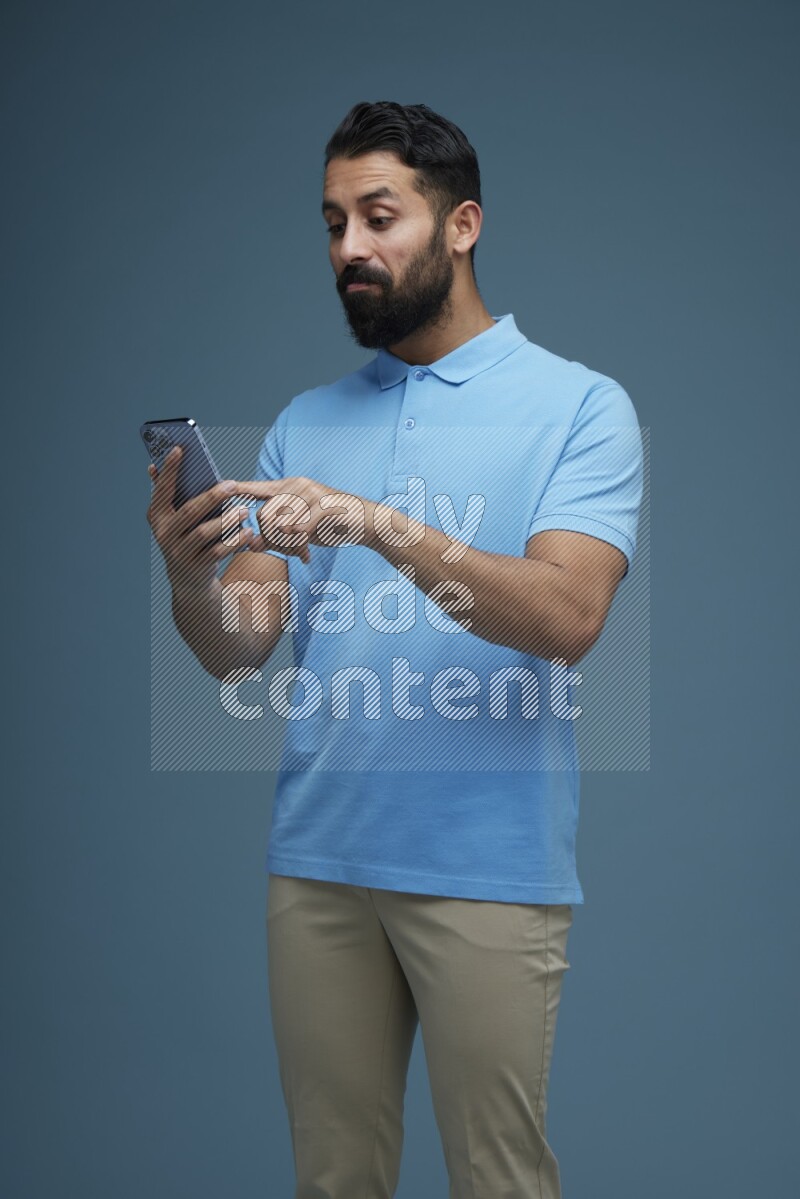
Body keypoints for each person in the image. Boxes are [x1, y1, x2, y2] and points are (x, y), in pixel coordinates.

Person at [147, 100, 644, 1199]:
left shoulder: (578, 407)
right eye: (332, 224)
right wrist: (189, 573)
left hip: (488, 865)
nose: (349, 250)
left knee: (499, 1181)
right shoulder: (305, 420)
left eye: (379, 216)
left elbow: (565, 618)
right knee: (332, 1181)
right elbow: (241, 648)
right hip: (317, 863)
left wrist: (375, 522)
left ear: (461, 224)